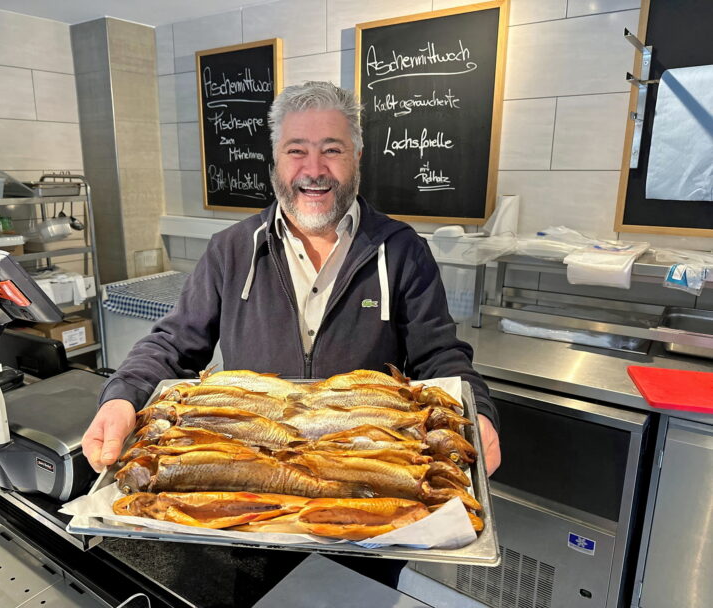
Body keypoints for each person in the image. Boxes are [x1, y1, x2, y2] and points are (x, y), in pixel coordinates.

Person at [82, 81, 500, 587]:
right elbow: (173, 344)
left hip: (366, 513)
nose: (314, 169)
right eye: (296, 150)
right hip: (246, 514)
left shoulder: (402, 249)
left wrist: (478, 412)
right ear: (275, 162)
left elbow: (441, 358)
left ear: (357, 158)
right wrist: (122, 396)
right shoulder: (231, 249)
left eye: (332, 150)